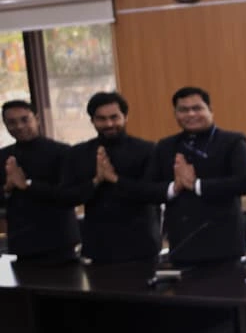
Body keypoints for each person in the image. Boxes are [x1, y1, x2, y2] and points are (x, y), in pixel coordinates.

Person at [143, 86, 246, 265]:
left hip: (224, 242)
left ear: (210, 110)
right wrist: (174, 187)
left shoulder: (232, 141)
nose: (191, 114)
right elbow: (147, 190)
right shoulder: (165, 146)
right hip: (182, 242)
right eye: (183, 110)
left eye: (197, 108)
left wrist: (197, 185)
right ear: (175, 114)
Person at [60, 92, 161, 264]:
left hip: (141, 244)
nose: (109, 124)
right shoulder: (78, 153)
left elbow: (153, 193)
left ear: (125, 117)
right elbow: (66, 197)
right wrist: (96, 181)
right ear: (92, 120)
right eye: (101, 119)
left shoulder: (147, 149)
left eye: (114, 117)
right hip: (98, 246)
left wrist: (115, 179)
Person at [1, 100, 78, 263]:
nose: (19, 126)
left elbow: (70, 195)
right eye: (12, 122)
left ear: (36, 119)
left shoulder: (62, 152)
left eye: (24, 119)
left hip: (59, 241)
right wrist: (7, 188)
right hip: (22, 243)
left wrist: (27, 185)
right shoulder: (3, 156)